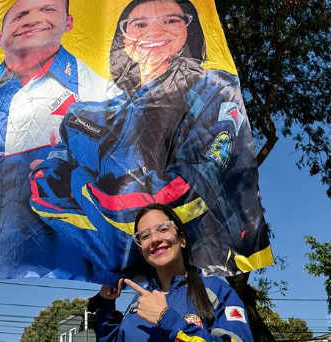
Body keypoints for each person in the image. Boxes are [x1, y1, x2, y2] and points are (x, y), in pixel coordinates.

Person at [29, 0, 271, 286]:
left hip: (205, 279)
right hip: (137, 297)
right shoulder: (86, 115)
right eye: (140, 24)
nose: (154, 31)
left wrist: (81, 179)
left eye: (171, 21)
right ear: (124, 39)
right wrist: (107, 196)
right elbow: (40, 191)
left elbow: (163, 205)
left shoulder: (214, 89)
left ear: (188, 30)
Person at [0, 0, 120, 286]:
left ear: (68, 23)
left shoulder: (99, 89)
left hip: (69, 270)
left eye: (48, 9)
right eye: (20, 14)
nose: (32, 18)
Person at [90, 203, 255, 342]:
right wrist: (106, 305)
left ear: (182, 239)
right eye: (145, 236)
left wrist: (166, 318)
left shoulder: (215, 290)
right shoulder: (138, 303)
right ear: (142, 252)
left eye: (163, 229)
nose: (155, 239)